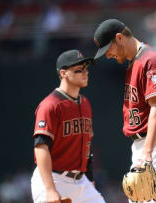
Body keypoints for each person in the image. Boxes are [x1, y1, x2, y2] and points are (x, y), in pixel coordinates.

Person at [93, 19, 156, 203]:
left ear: (119, 38)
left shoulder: (151, 59)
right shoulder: (134, 62)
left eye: (108, 49)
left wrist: (148, 151)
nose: (108, 55)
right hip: (147, 143)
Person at [31, 50, 105, 203]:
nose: (85, 73)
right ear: (63, 73)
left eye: (86, 68)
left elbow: (87, 146)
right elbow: (40, 147)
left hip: (80, 180)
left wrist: (90, 177)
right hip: (53, 178)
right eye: (79, 70)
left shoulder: (85, 103)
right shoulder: (50, 105)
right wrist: (50, 190)